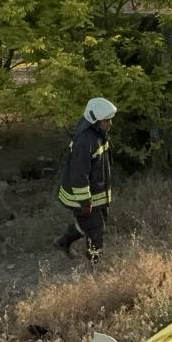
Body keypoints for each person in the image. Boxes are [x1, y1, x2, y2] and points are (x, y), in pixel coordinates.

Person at [56, 97, 117, 266]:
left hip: (96, 194)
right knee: (96, 230)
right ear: (95, 120)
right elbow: (79, 175)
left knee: (91, 224)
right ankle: (95, 265)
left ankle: (63, 242)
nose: (110, 123)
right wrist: (84, 202)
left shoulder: (98, 135)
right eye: (106, 120)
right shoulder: (84, 142)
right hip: (82, 197)